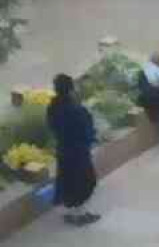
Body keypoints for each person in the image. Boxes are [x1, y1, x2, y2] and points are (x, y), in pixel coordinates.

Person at [46, 74, 100, 226]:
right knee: (85, 182)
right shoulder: (76, 109)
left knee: (68, 181)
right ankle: (80, 215)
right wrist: (91, 140)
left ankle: (71, 213)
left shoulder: (52, 107)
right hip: (78, 152)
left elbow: (51, 126)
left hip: (63, 150)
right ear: (70, 89)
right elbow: (87, 130)